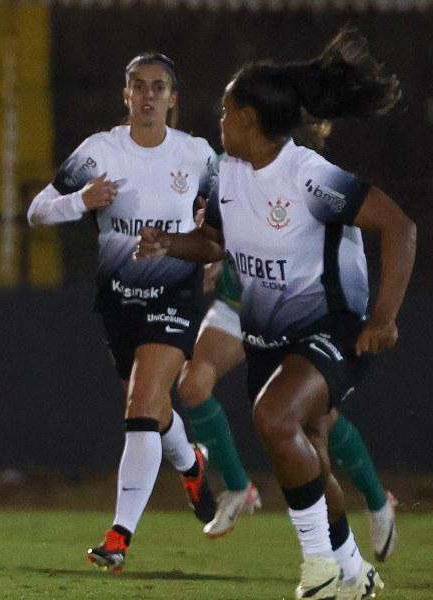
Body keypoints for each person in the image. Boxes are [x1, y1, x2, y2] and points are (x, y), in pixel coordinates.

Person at [136, 29, 413, 600]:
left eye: (226, 111)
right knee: (307, 445)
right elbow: (214, 244)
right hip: (266, 336)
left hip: (333, 325)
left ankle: (318, 568)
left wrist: (383, 316)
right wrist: (170, 243)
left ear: (250, 120)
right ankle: (355, 574)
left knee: (275, 417)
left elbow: (400, 227)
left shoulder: (309, 176)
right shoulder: (227, 173)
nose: (219, 121)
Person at [26, 52, 218, 573]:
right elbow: (37, 210)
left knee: (140, 404)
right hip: (118, 302)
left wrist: (206, 248)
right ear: (126, 94)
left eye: (159, 87)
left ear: (174, 99)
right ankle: (192, 462)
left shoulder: (198, 155)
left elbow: (225, 221)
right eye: (139, 86)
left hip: (175, 298)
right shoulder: (99, 151)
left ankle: (118, 536)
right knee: (153, 412)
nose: (149, 95)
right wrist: (81, 200)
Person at [180, 259, 399, 564]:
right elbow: (213, 227)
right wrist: (210, 253)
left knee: (310, 417)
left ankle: (376, 503)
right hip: (235, 305)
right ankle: (237, 487)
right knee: (192, 386)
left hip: (292, 308)